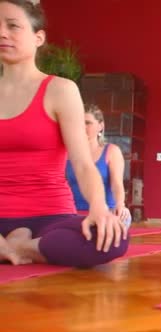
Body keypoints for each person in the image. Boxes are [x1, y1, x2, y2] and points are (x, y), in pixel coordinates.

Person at [0, 0, 128, 267]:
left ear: (38, 38)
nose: (2, 33)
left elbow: (82, 163)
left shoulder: (60, 89)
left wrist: (98, 207)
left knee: (112, 237)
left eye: (12, 26)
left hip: (50, 215)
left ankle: (23, 247)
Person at [66, 104, 132, 228]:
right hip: (72, 213)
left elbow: (117, 184)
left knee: (123, 218)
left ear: (101, 126)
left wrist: (120, 205)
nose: (82, 127)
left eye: (87, 123)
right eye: (79, 122)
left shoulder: (112, 151)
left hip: (105, 212)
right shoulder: (66, 153)